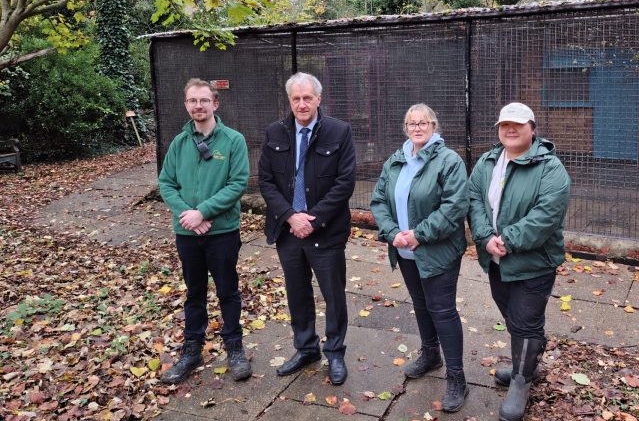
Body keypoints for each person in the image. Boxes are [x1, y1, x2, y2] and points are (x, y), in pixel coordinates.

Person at [468, 102, 570, 421]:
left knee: (525, 322)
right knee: (514, 317)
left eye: (518, 124)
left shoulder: (550, 168)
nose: (510, 129)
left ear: (533, 129)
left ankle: (521, 381)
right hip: (495, 259)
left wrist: (507, 240)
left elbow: (546, 215)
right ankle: (528, 359)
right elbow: (474, 200)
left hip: (534, 263)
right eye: (504, 124)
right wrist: (485, 236)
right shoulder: (487, 162)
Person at [258, 72, 356, 385]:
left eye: (307, 98)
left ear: (318, 99)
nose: (302, 104)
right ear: (290, 101)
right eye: (296, 98)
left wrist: (311, 219)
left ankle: (335, 352)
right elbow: (266, 181)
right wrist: (290, 216)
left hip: (326, 231)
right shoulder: (275, 132)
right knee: (297, 293)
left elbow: (345, 183)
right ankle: (306, 348)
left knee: (333, 295)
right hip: (288, 231)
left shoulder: (339, 131)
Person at [370, 104, 469, 412]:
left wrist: (419, 234)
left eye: (423, 122)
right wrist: (392, 233)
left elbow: (454, 207)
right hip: (404, 250)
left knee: (442, 310)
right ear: (405, 128)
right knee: (421, 303)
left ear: (434, 126)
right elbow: (378, 201)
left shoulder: (449, 161)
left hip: (437, 251)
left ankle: (457, 378)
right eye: (411, 123)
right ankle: (430, 354)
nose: (417, 127)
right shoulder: (395, 160)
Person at [158, 78, 252, 385]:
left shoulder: (233, 141)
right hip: (187, 233)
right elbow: (166, 183)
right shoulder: (178, 143)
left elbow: (237, 184)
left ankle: (234, 348)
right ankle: (192, 350)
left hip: (222, 232)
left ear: (215, 103)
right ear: (186, 105)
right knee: (194, 292)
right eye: (192, 101)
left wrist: (204, 212)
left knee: (228, 291)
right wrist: (189, 215)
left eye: (204, 100)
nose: (198, 106)